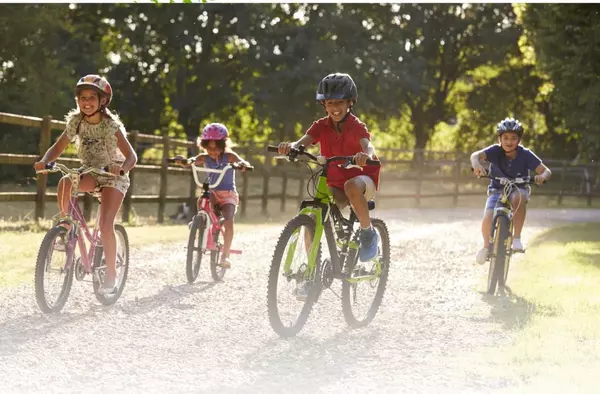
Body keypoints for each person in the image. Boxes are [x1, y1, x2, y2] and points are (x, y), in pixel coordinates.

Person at [33, 74, 138, 294]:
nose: (87, 102)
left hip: (112, 176)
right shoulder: (76, 122)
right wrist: (45, 161)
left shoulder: (111, 126)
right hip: (90, 171)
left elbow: (132, 156)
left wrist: (122, 169)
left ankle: (111, 275)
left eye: (92, 97)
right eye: (82, 97)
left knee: (106, 225)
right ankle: (66, 227)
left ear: (103, 101)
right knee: (65, 182)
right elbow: (59, 146)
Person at [277, 72, 381, 263]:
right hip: (335, 178)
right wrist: (291, 147)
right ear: (323, 104)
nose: (335, 107)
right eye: (330, 103)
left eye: (340, 102)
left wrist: (366, 155)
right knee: (314, 215)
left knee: (350, 186)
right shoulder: (321, 126)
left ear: (350, 102)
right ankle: (310, 270)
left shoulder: (355, 125)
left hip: (362, 178)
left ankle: (368, 233)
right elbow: (301, 142)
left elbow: (368, 145)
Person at [470, 117, 552, 265]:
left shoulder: (526, 154)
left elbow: (546, 171)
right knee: (488, 215)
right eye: (505, 137)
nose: (509, 141)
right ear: (499, 138)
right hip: (497, 189)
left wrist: (542, 176)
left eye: (513, 138)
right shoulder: (494, 151)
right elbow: (475, 155)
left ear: (519, 140)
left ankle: (517, 238)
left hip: (518, 188)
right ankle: (486, 247)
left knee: (518, 197)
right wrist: (476, 164)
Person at [173, 123, 251, 269]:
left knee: (228, 220)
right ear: (204, 145)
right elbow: (190, 161)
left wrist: (243, 164)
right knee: (203, 198)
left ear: (223, 144)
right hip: (213, 193)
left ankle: (225, 256)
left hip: (228, 194)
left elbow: (241, 160)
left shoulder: (229, 156)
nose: (212, 151)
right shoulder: (204, 157)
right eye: (209, 148)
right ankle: (200, 220)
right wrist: (183, 161)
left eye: (216, 148)